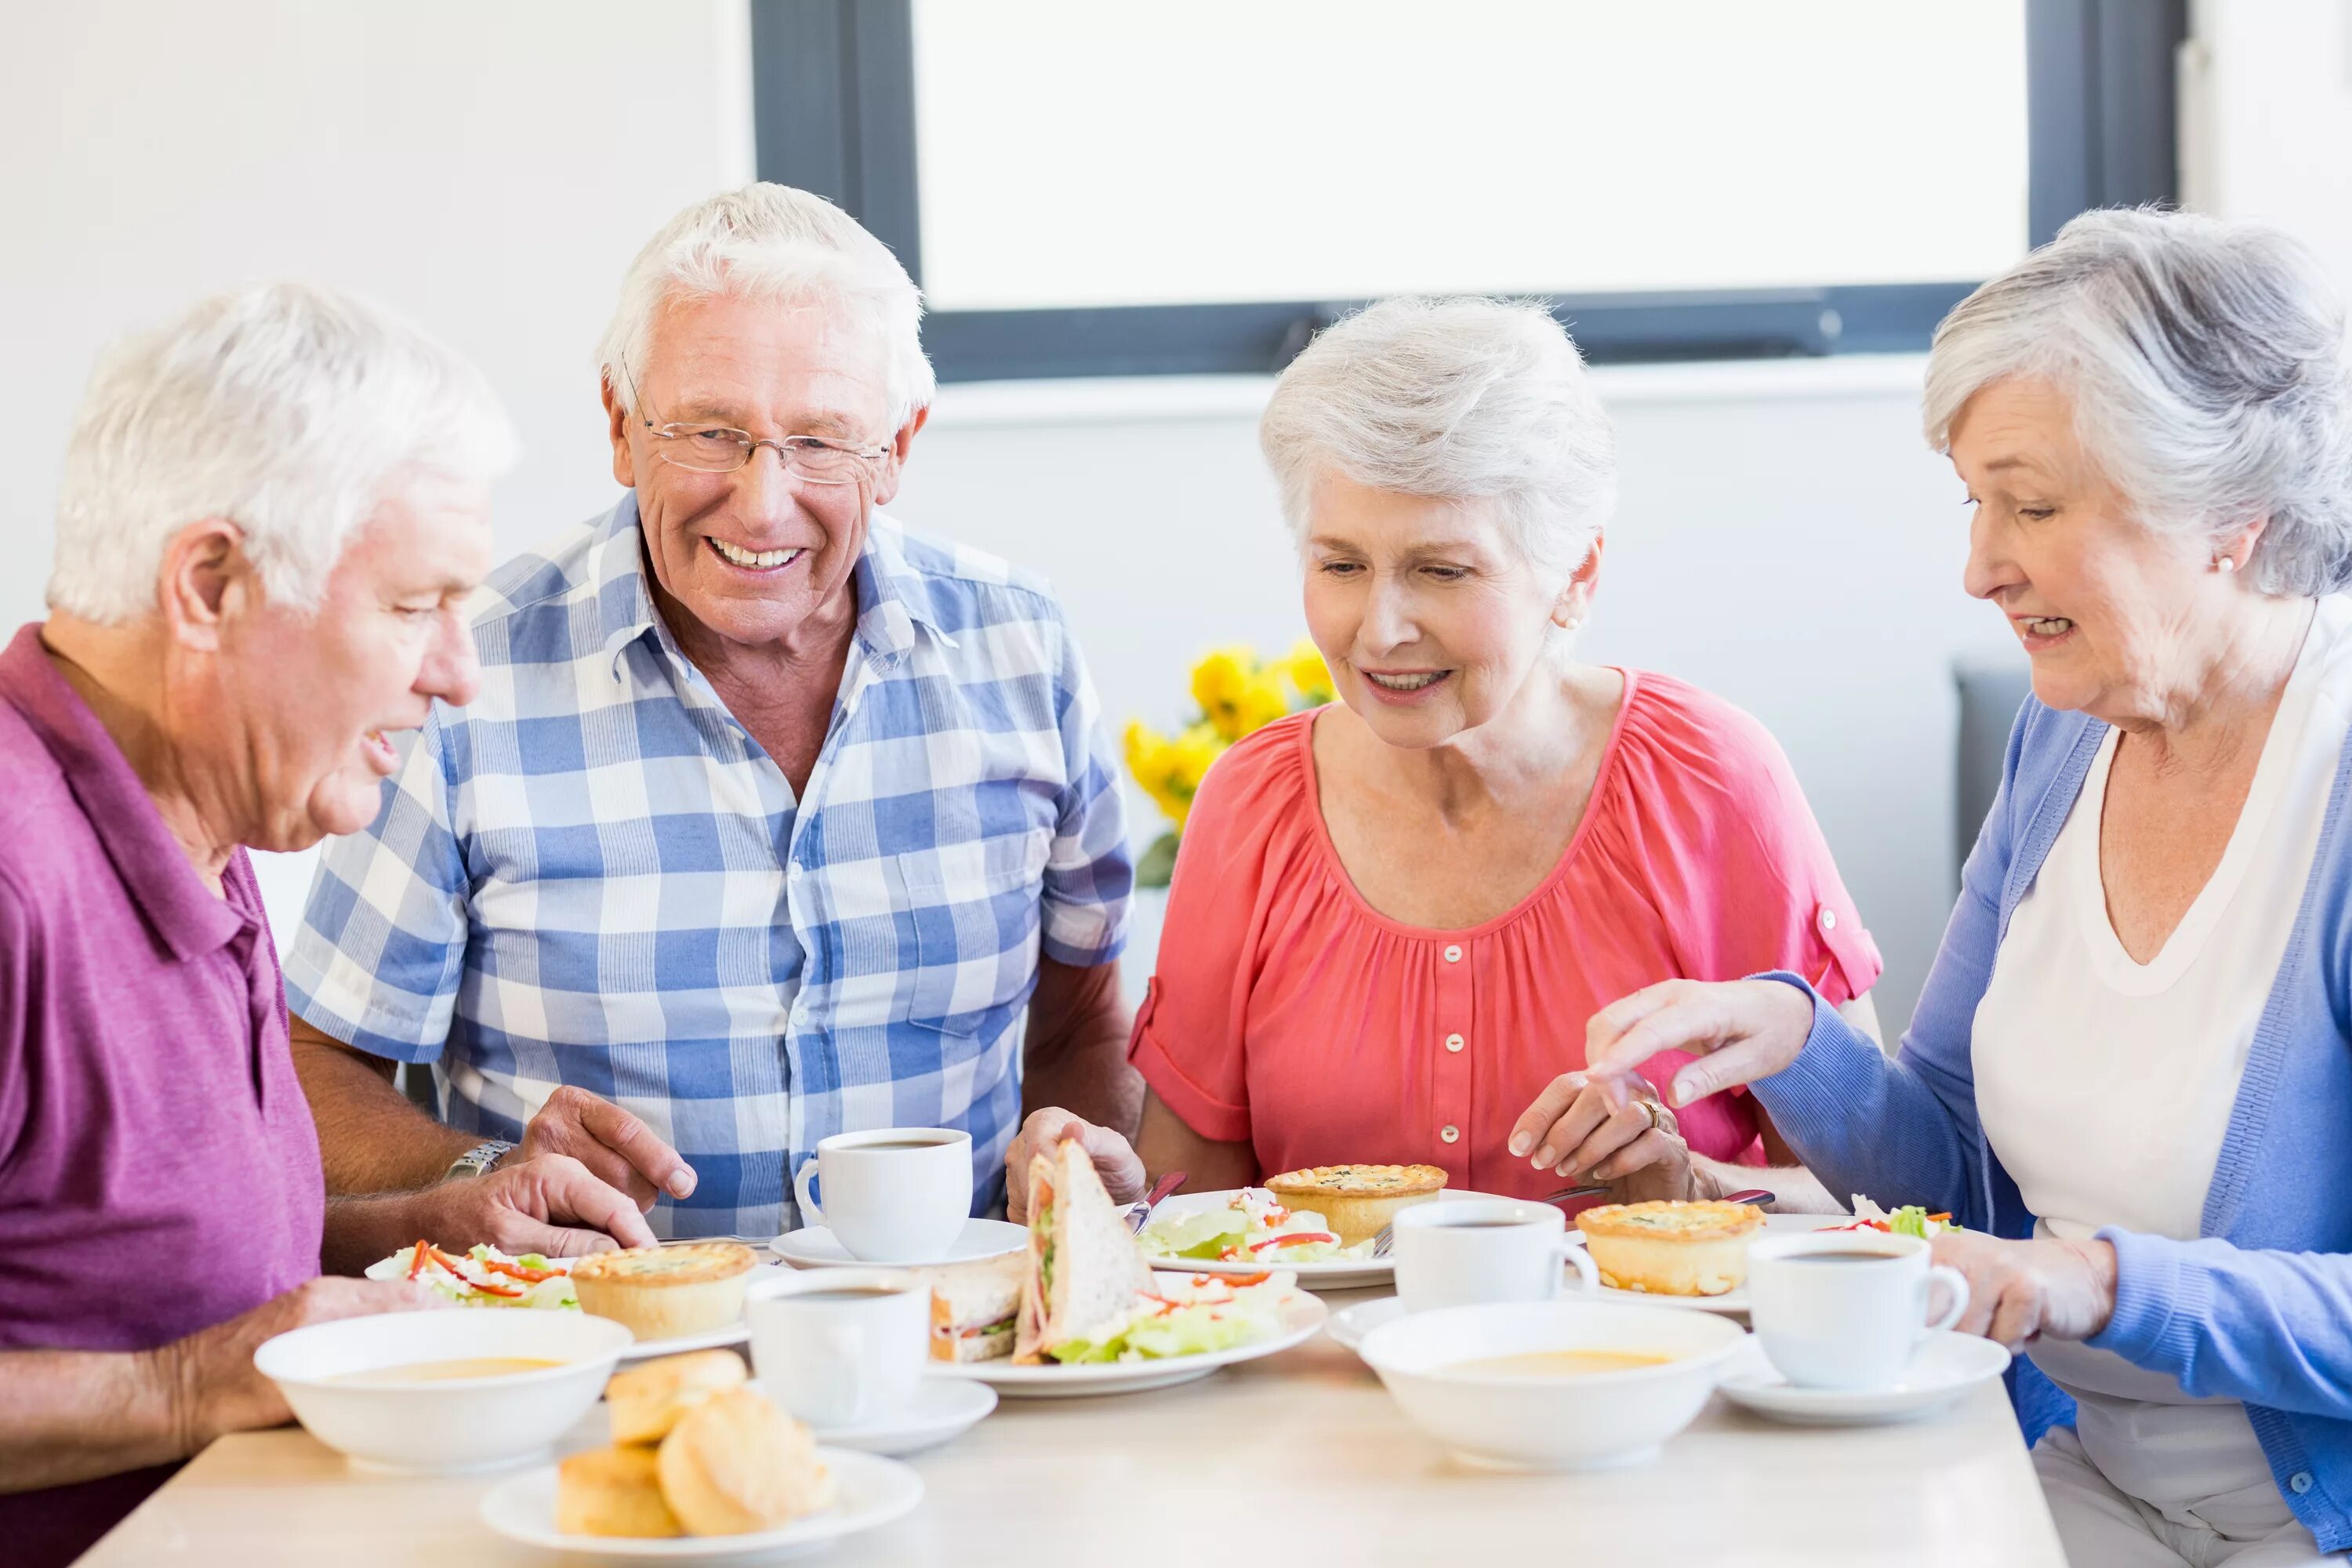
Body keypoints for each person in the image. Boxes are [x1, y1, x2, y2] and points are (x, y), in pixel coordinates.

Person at [1574, 209, 2352, 1566]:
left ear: (2229, 513)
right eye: (1974, 502)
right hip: (2067, 1465)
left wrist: (2092, 1282)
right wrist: (1798, 1046)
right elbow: (1957, 1169)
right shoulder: (2068, 732)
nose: (1981, 567)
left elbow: (2054, 1266)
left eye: (2032, 506)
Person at [283, 183, 1138, 1239]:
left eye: (822, 441)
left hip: (954, 1344)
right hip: (598, 1352)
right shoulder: (467, 671)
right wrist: (485, 1169)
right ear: (619, 424)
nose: (763, 500)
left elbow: (1082, 1029)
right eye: (709, 431)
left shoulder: (1020, 647)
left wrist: (1080, 1173)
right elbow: (310, 1066)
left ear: (899, 448)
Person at [0, 284, 656, 1568]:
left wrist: (425, 1217)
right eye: (415, 608)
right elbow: (177, 1352)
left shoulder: (198, 809)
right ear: (209, 585)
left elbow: (132, 1259)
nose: (459, 672)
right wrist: (178, 1394)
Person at [1009, 296, 1882, 1215]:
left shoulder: (1712, 780)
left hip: (1657, 1351)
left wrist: (1695, 1188)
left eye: (1442, 570)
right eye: (1341, 565)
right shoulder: (1250, 802)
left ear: (1575, 575)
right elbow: (1200, 1207)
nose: (1380, 630)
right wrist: (1118, 1199)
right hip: (1326, 1362)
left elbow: (1884, 1198)